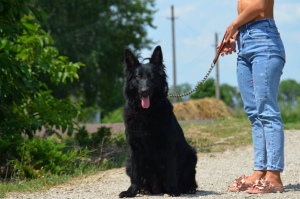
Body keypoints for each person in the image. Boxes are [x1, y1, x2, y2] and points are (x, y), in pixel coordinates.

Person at [217, 0, 286, 194]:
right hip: (245, 43)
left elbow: (259, 5)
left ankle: (274, 177)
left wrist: (232, 26)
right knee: (254, 113)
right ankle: (259, 171)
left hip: (265, 41)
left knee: (266, 111)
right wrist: (236, 35)